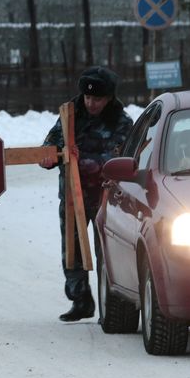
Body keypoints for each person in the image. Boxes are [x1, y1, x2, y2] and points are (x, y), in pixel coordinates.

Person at [39, 66, 133, 322]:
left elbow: (124, 158)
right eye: (88, 98)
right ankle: (81, 300)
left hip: (107, 199)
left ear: (109, 98)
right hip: (72, 195)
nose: (91, 103)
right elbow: (51, 145)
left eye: (98, 99)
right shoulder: (70, 115)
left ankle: (110, 304)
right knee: (72, 250)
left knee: (107, 252)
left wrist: (84, 161)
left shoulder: (122, 122)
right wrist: (49, 156)